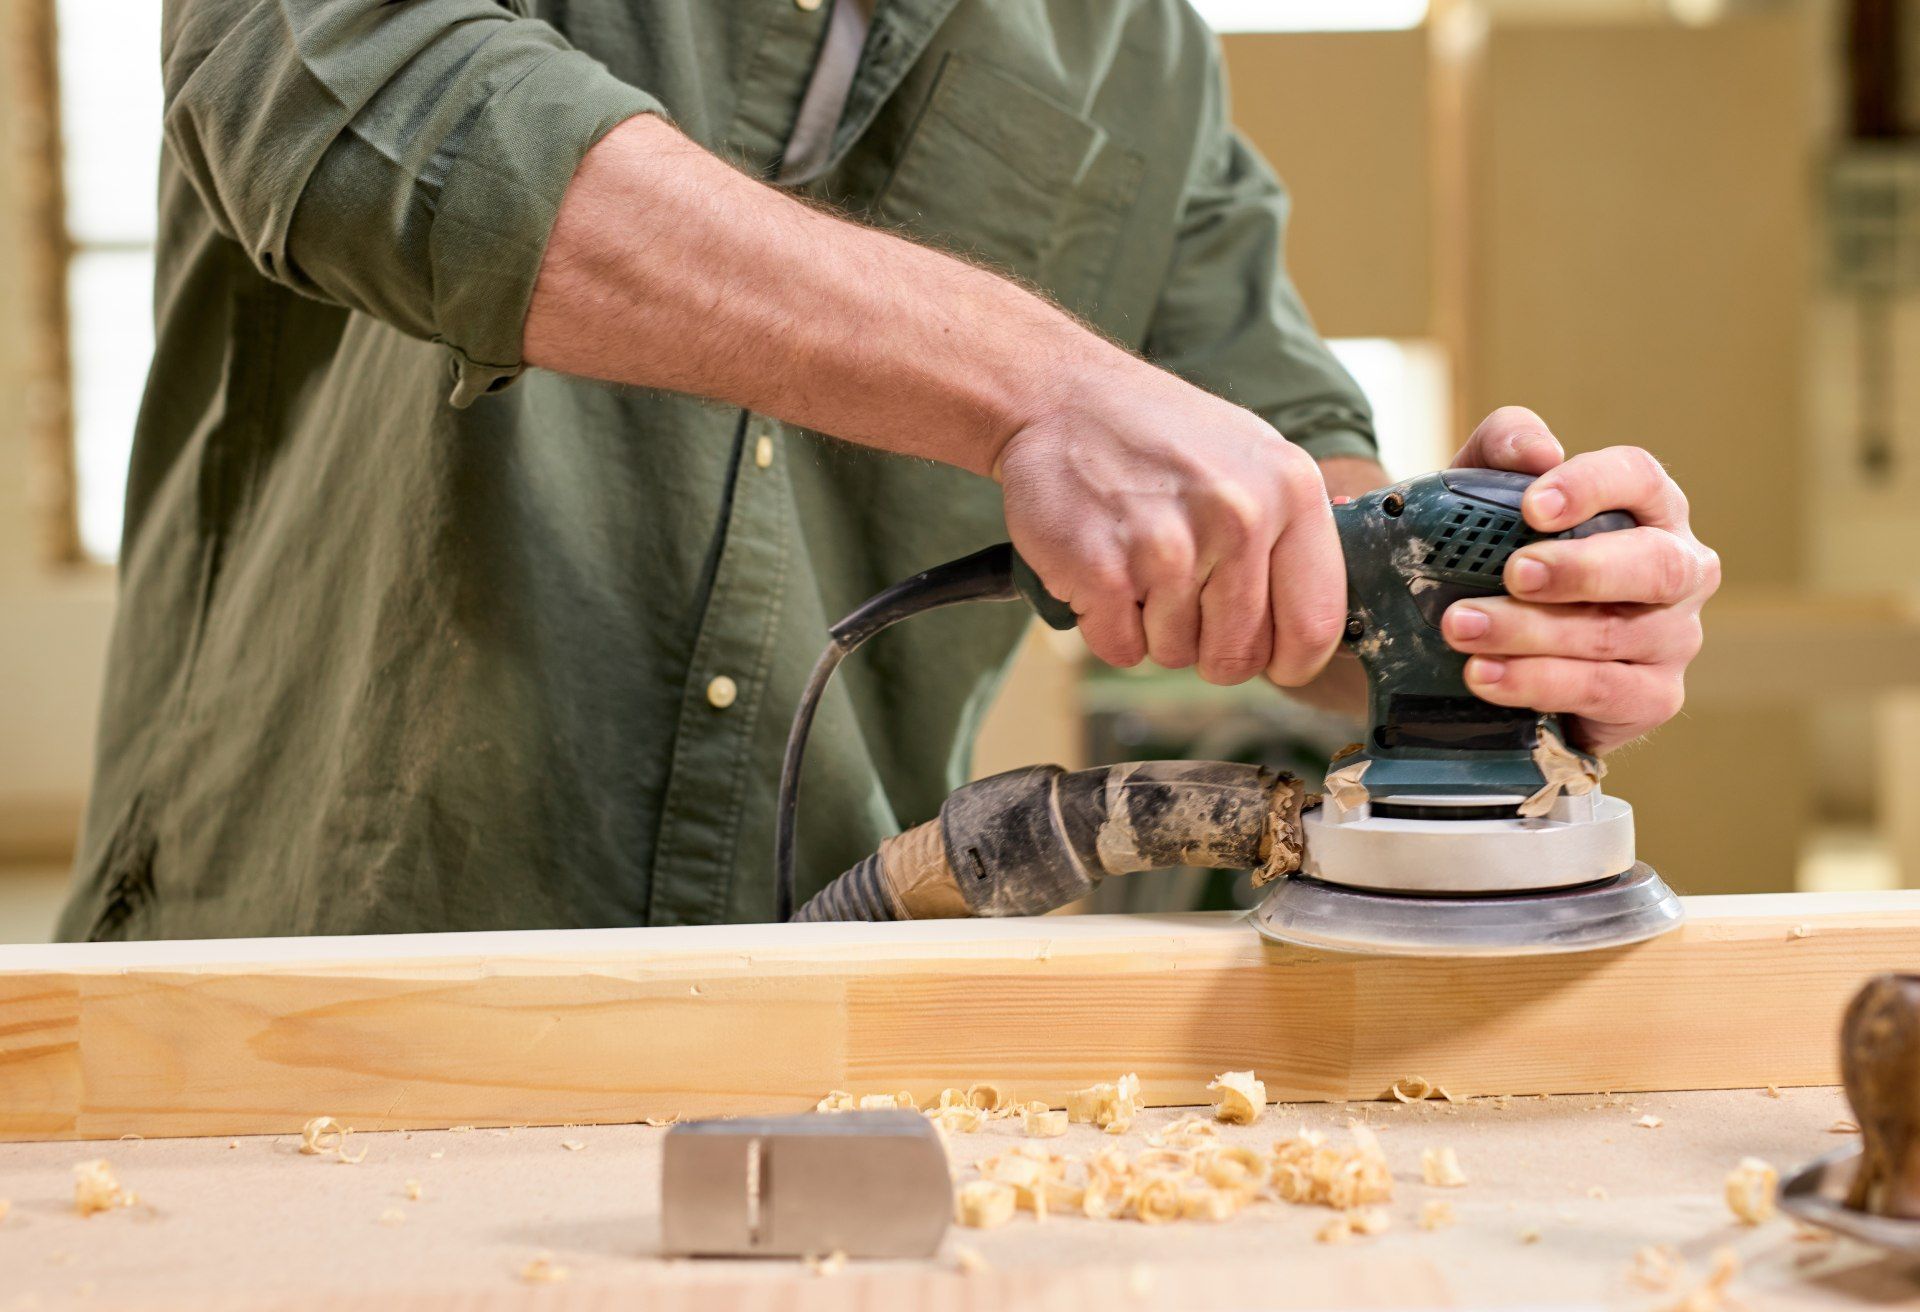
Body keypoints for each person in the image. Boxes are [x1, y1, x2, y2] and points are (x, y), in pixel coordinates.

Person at [56, 0, 1718, 941]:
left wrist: (1495, 603)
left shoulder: (1139, 53)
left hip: (819, 974)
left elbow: (1293, 500)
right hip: (316, 931)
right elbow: (333, 83)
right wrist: (1033, 388)